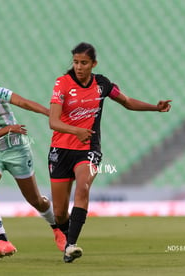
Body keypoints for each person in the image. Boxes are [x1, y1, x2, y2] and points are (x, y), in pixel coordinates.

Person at [48, 42, 172, 263]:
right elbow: (53, 122)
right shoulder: (62, 84)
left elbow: (127, 101)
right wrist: (75, 130)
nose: (78, 67)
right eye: (75, 62)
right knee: (59, 212)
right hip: (60, 150)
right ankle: (66, 235)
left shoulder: (102, 84)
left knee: (83, 187)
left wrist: (156, 107)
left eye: (84, 63)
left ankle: (71, 246)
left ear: (93, 63)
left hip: (89, 149)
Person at [0, 72, 66, 259]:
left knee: (35, 200)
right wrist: (8, 128)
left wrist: (49, 113)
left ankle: (58, 229)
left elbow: (22, 102)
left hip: (16, 151)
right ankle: (3, 241)